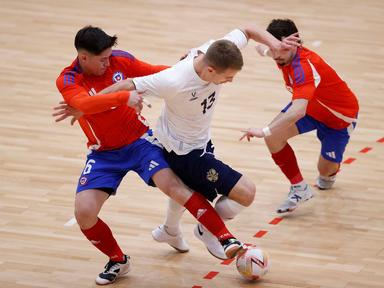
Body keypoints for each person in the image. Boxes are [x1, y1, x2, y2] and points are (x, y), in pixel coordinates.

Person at [55, 25, 247, 285]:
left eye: (109, 56)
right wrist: (124, 97)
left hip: (141, 141)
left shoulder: (119, 59)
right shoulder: (68, 79)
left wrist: (186, 68)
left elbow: (156, 73)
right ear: (83, 57)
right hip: (103, 154)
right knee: (84, 212)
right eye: (102, 60)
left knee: (174, 186)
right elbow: (84, 105)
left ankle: (224, 237)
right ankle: (118, 260)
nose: (108, 63)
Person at [92, 25, 300, 259]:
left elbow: (248, 30)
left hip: (201, 140)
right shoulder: (173, 80)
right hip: (184, 154)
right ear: (210, 70)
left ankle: (170, 230)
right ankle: (207, 230)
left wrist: (275, 45)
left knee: (187, 188)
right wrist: (84, 105)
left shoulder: (218, 49)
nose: (230, 81)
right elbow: (126, 84)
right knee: (246, 193)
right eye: (228, 77)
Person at [240, 19, 359, 213]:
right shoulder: (280, 52)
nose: (277, 55)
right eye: (275, 48)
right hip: (309, 106)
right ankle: (299, 188)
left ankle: (330, 173)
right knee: (274, 137)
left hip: (338, 118)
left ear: (296, 43)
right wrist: (269, 46)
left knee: (325, 175)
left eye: (282, 50)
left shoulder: (304, 67)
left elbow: (297, 111)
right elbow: (260, 48)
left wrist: (263, 130)